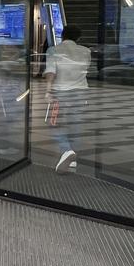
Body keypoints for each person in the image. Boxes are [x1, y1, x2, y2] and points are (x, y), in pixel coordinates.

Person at [43, 24, 92, 173]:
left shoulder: (53, 50)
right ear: (79, 38)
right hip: (81, 91)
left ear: (62, 35)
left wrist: (48, 91)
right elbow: (85, 69)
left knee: (53, 122)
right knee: (75, 123)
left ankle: (66, 150)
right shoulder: (86, 51)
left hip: (61, 92)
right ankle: (73, 159)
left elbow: (51, 72)